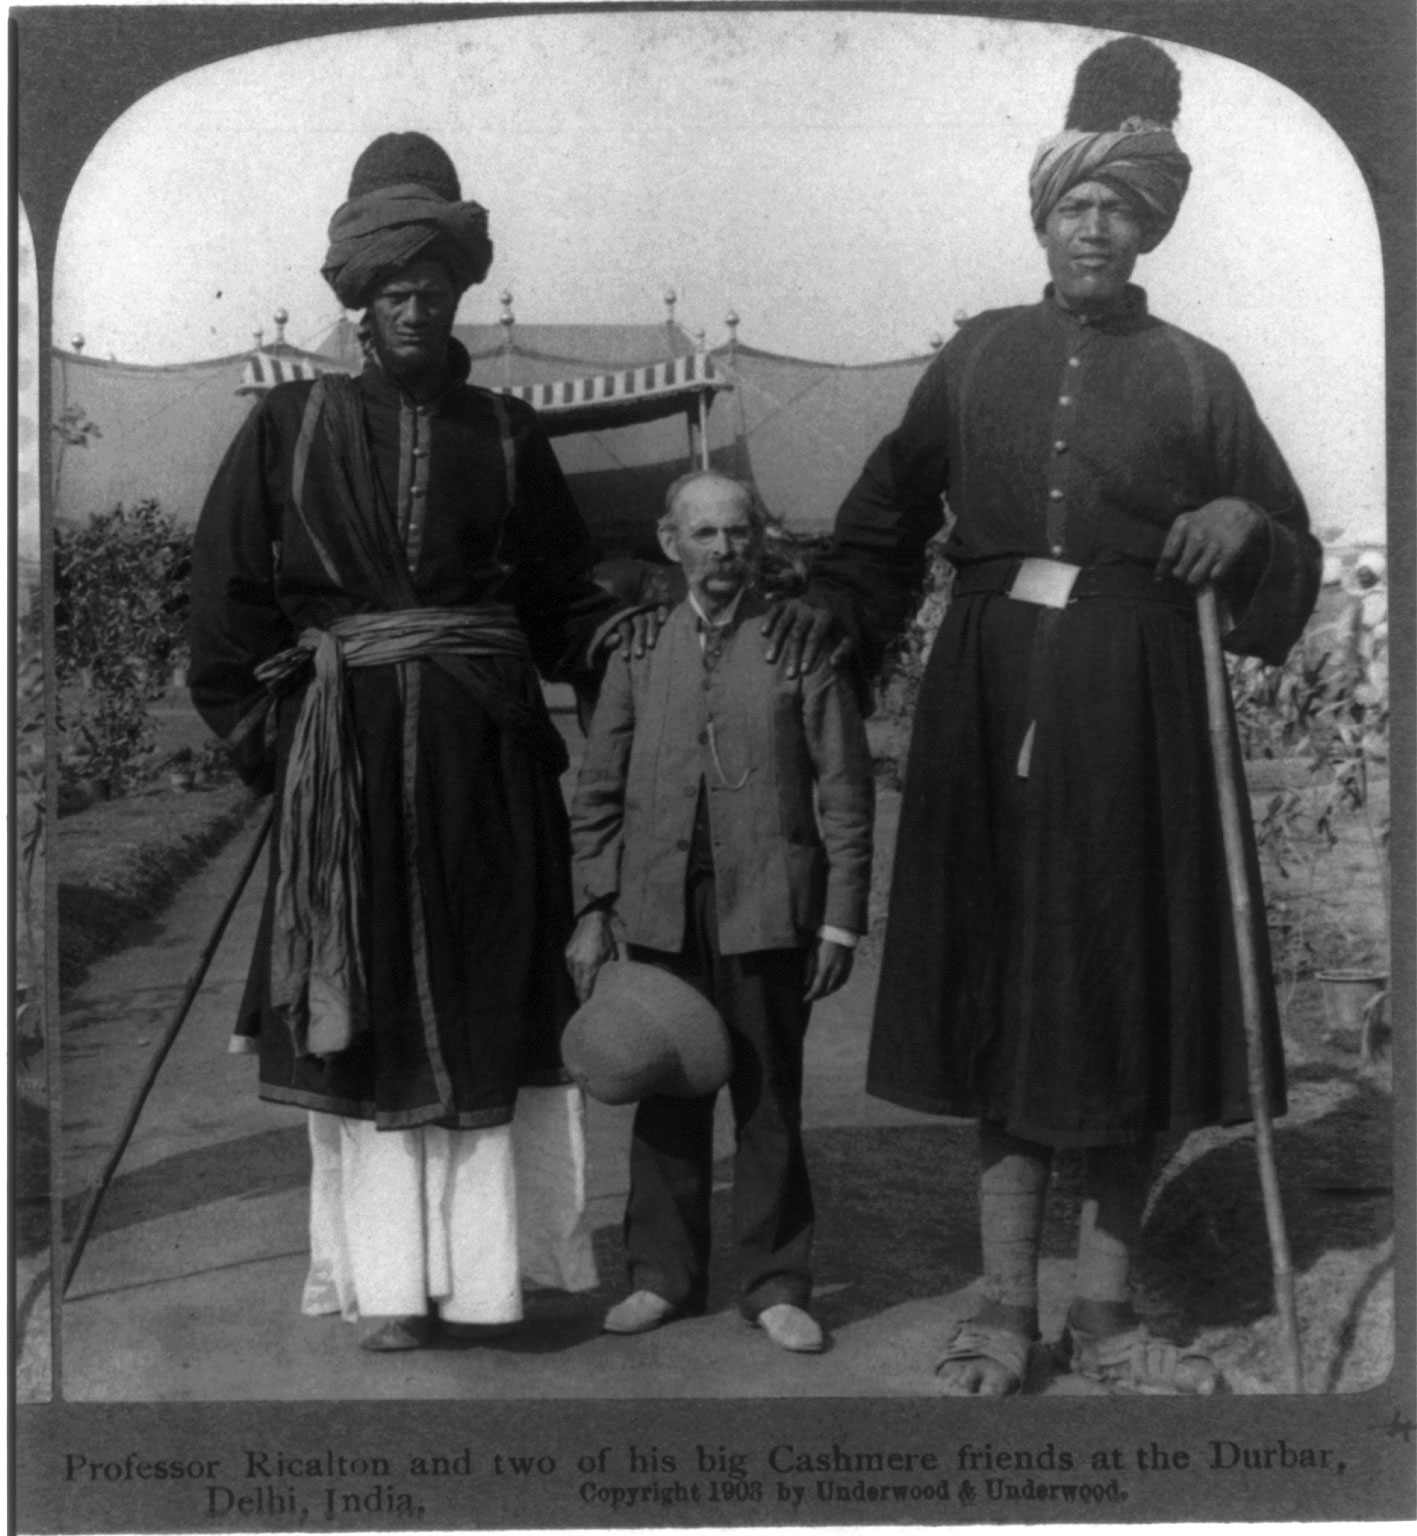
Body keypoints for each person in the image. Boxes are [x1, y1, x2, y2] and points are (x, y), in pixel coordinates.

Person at [764, 37, 1321, 1393]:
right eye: (1076, 204)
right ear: (1045, 212)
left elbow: (1289, 543)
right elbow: (885, 521)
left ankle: (1112, 1311)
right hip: (993, 695)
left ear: (1147, 228)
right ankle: (1004, 1308)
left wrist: (1241, 520)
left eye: (1119, 210)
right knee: (1011, 996)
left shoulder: (1200, 375)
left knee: (1128, 994)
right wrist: (838, 613)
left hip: (1141, 708)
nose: (1094, 226)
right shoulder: (974, 360)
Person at [188, 132, 643, 1352]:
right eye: (394, 291)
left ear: (459, 295)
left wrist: (640, 671)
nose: (415, 309)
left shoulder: (506, 433)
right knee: (371, 1007)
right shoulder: (288, 426)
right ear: (359, 297)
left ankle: (494, 1280)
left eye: (435, 290)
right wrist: (279, 751)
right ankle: (387, 1286)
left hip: (487, 767)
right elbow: (224, 611)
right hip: (346, 765)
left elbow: (565, 604)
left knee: (495, 992)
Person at [564, 471, 874, 1352]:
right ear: (671, 544)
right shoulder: (635, 651)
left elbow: (846, 794)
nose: (723, 552)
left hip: (767, 907)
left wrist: (839, 919)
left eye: (738, 535)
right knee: (664, 1086)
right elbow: (598, 791)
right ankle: (662, 1276)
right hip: (657, 909)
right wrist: (595, 903)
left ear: (760, 543)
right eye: (703, 535)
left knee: (767, 1095)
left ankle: (776, 1283)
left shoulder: (800, 646)